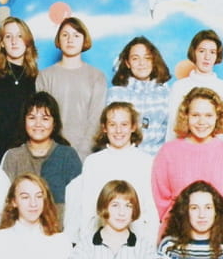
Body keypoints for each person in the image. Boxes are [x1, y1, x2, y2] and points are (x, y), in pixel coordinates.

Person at [64, 102, 158, 244]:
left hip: (137, 242)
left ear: (133, 127)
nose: (118, 130)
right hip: (100, 241)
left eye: (124, 124)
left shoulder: (146, 162)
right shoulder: (93, 162)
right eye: (112, 124)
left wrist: (149, 246)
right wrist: (87, 243)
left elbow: (150, 211)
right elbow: (87, 209)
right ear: (104, 128)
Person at [152, 87, 223, 230]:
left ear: (217, 117)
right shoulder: (168, 152)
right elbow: (161, 199)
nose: (202, 122)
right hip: (176, 230)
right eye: (195, 115)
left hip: (217, 232)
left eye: (208, 115)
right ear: (186, 116)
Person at [0, 92, 81, 220]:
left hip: (60, 229)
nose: (38, 124)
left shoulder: (68, 155)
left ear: (54, 123)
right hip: (21, 229)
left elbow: (78, 203)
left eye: (45, 118)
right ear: (24, 121)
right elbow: (5, 202)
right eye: (32, 118)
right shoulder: (13, 156)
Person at [36, 17, 106, 160]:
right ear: (59, 39)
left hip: (88, 155)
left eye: (76, 35)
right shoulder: (45, 76)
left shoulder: (97, 76)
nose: (70, 40)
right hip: (52, 153)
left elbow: (96, 120)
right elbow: (42, 120)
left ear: (84, 40)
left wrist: (80, 156)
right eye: (65, 35)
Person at [0, 16, 38, 163]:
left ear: (27, 41)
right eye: (8, 36)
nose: (14, 41)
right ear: (2, 43)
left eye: (20, 36)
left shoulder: (35, 77)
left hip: (25, 153)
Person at [166, 29, 223, 142]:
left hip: (216, 149)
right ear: (194, 52)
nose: (207, 57)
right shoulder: (179, 87)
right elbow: (172, 128)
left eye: (212, 52)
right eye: (202, 51)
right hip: (185, 148)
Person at [107, 36, 171, 156]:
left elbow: (172, 134)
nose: (142, 63)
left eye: (147, 58)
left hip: (157, 160)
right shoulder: (115, 94)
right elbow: (109, 131)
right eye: (135, 58)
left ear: (153, 61)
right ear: (127, 63)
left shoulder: (166, 94)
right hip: (124, 159)